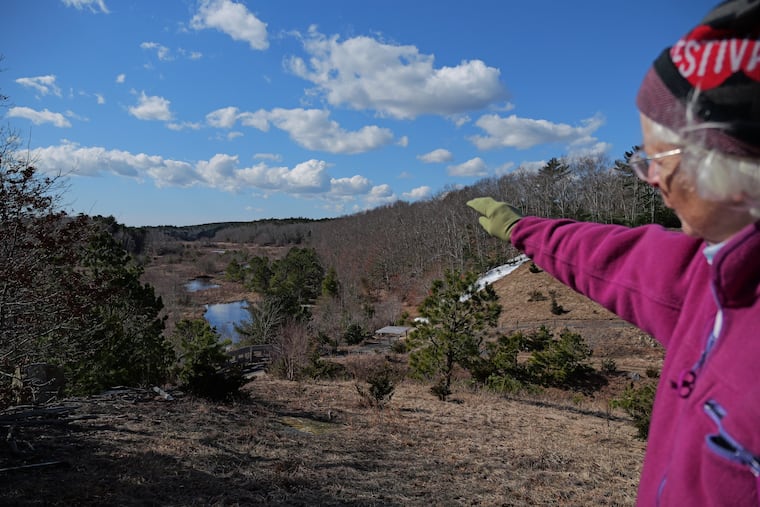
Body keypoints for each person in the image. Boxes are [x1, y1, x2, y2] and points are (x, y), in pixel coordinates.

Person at [467, 1, 760, 505]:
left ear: (726, 166)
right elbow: (608, 258)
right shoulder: (711, 277)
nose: (651, 177)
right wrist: (520, 228)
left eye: (656, 158)